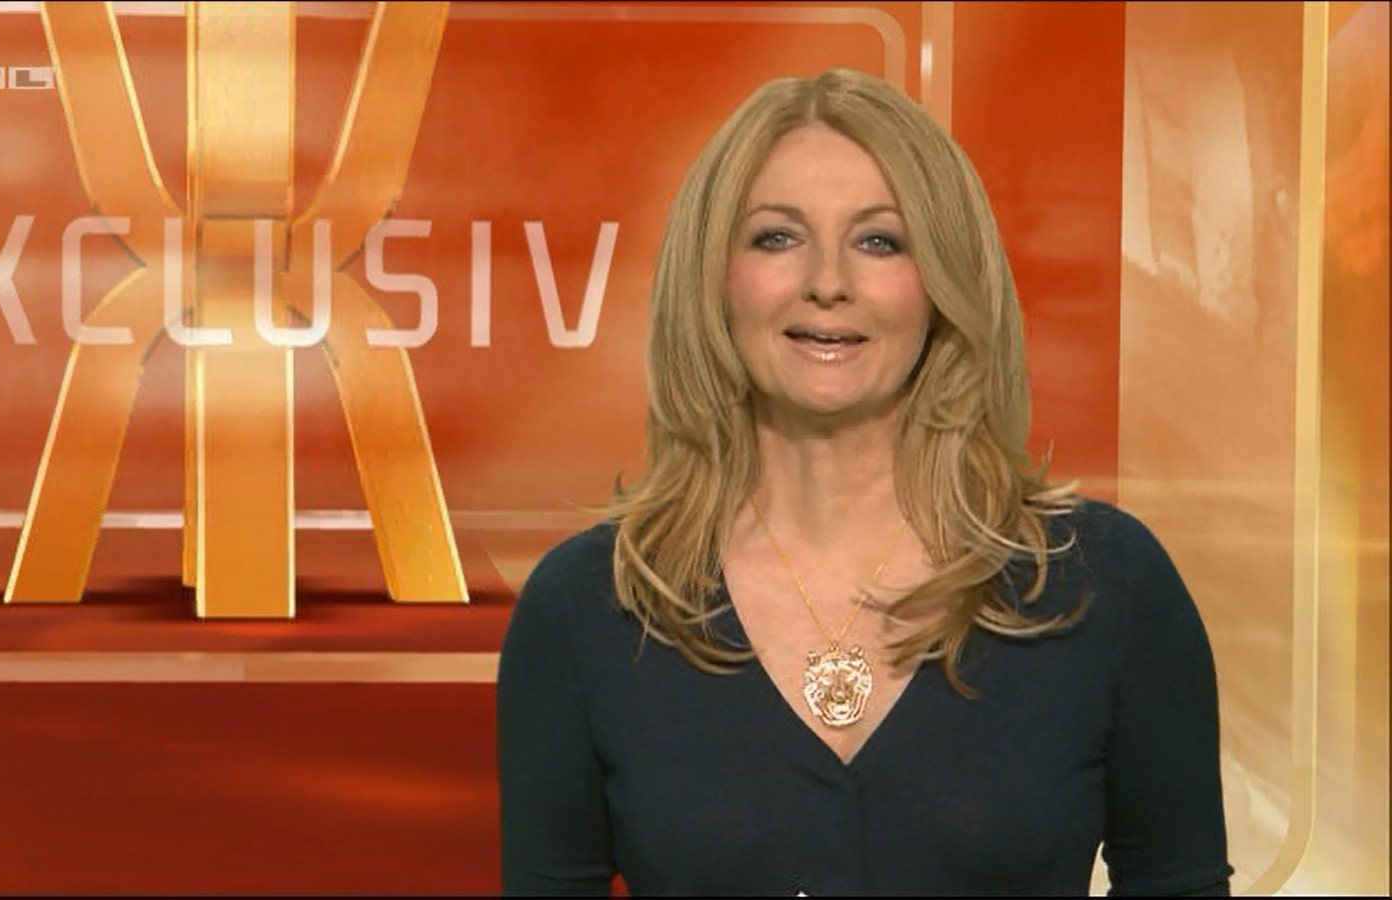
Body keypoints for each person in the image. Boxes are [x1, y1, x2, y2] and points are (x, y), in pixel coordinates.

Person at [497, 67, 1232, 896]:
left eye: (880, 241)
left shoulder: (1106, 584)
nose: (828, 281)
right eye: (777, 238)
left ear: (944, 282)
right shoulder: (589, 606)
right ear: (713, 278)